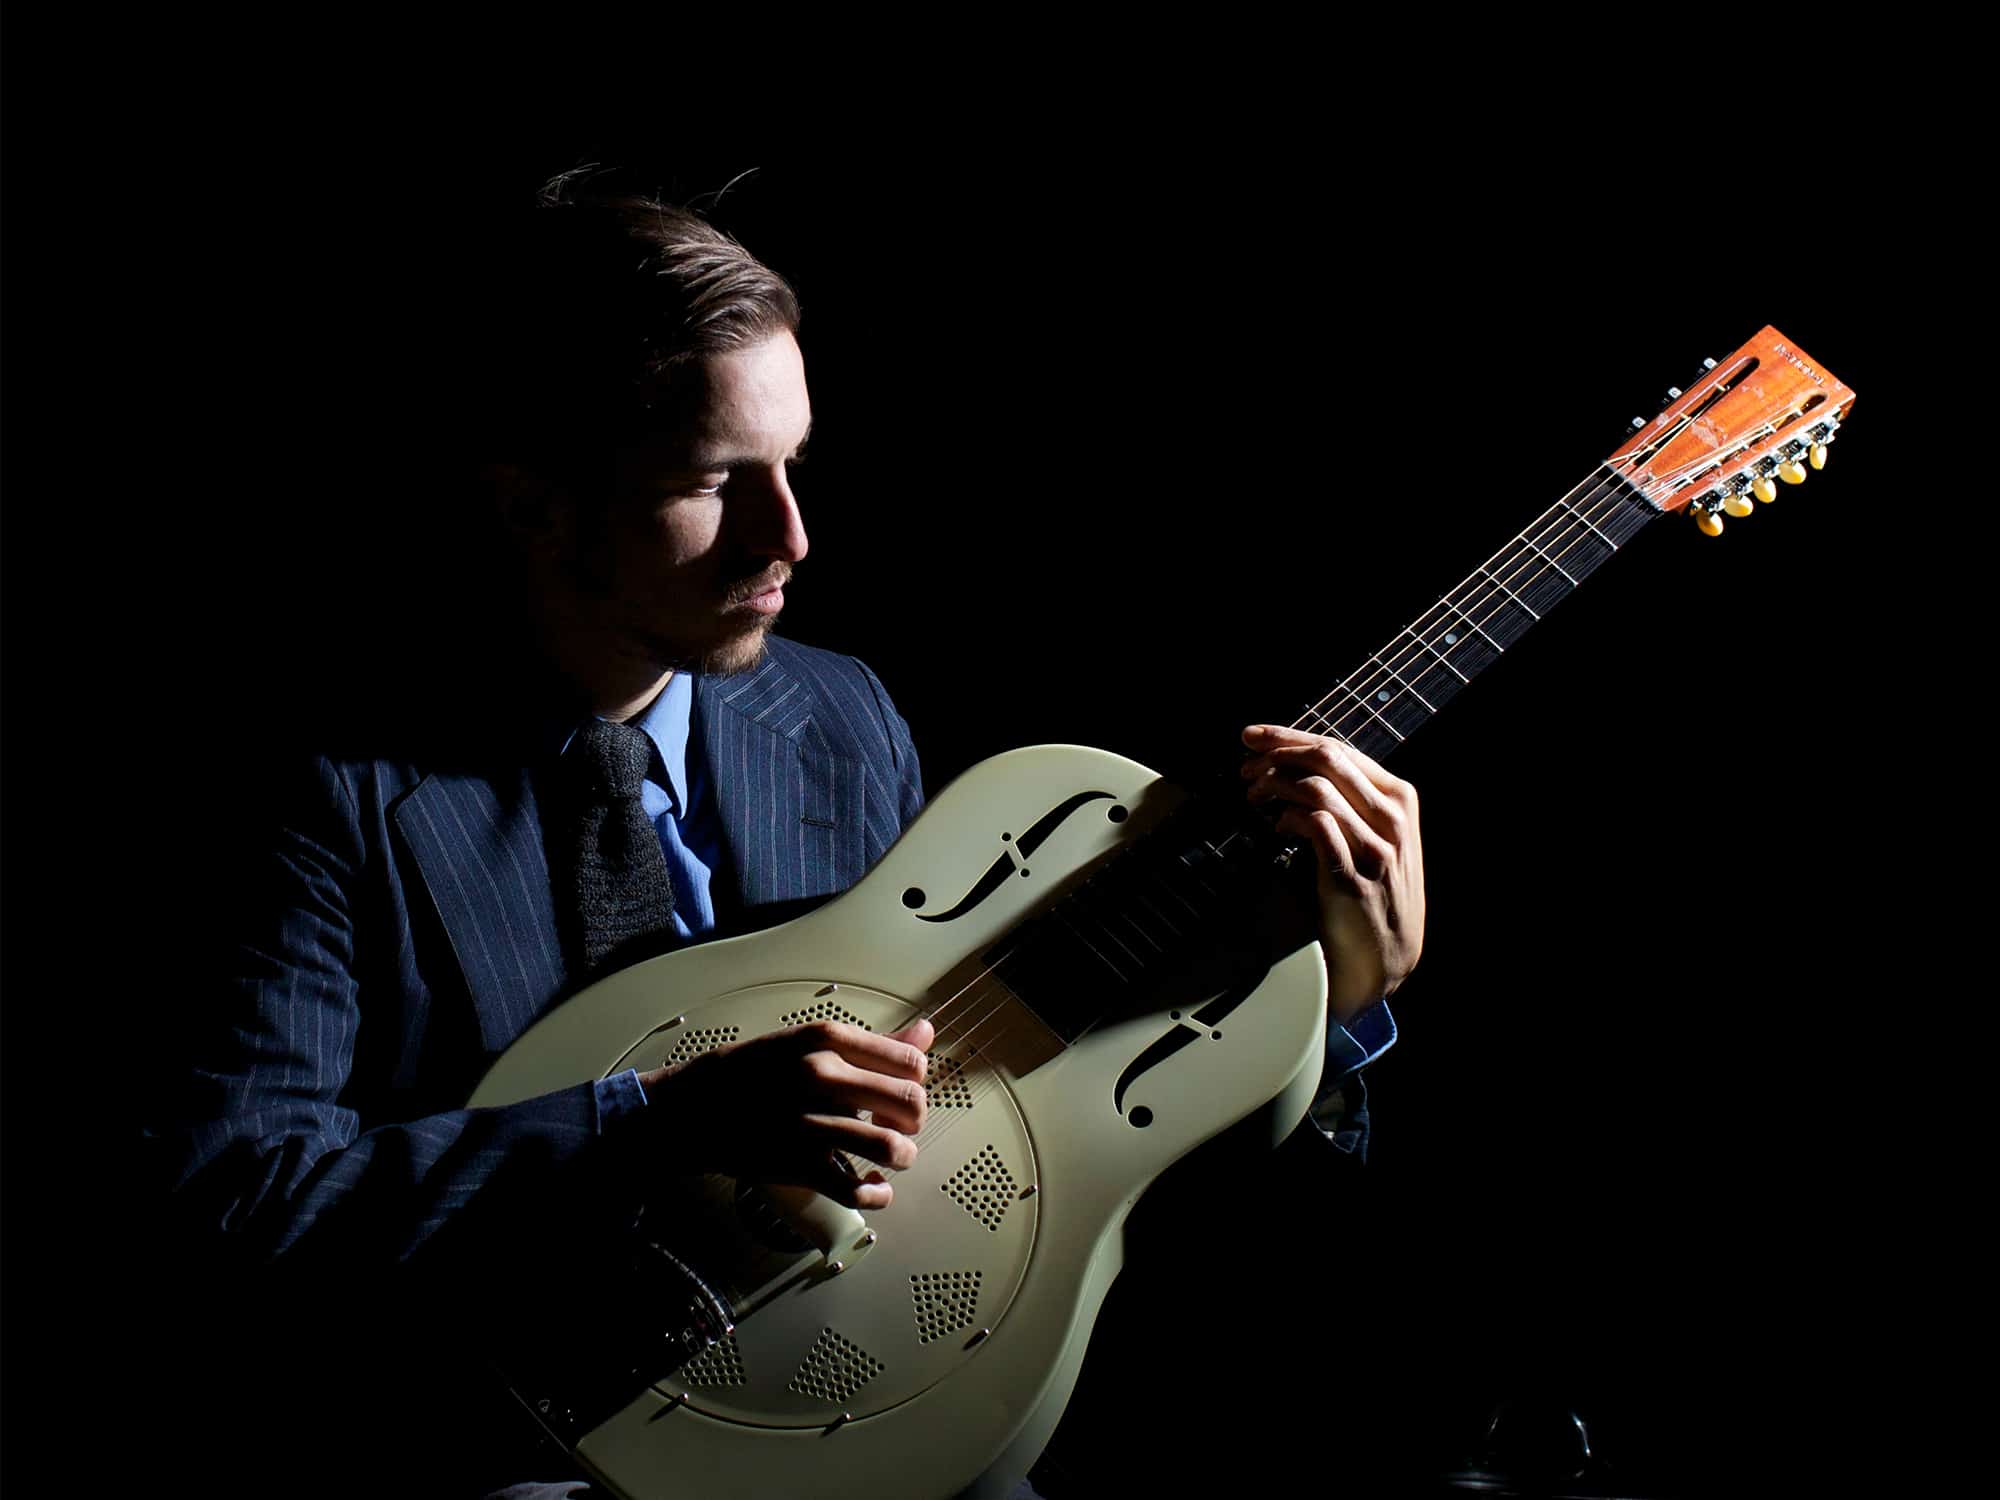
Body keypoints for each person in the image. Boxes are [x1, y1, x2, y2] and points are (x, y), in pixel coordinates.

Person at [141, 167, 1427, 1499]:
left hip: (866, 1431)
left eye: (795, 465)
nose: (792, 538)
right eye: (718, 480)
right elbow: (225, 1213)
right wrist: (640, 1126)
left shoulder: (837, 717)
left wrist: (1335, 1002)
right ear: (531, 503)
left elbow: (1033, 1149)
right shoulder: (324, 787)